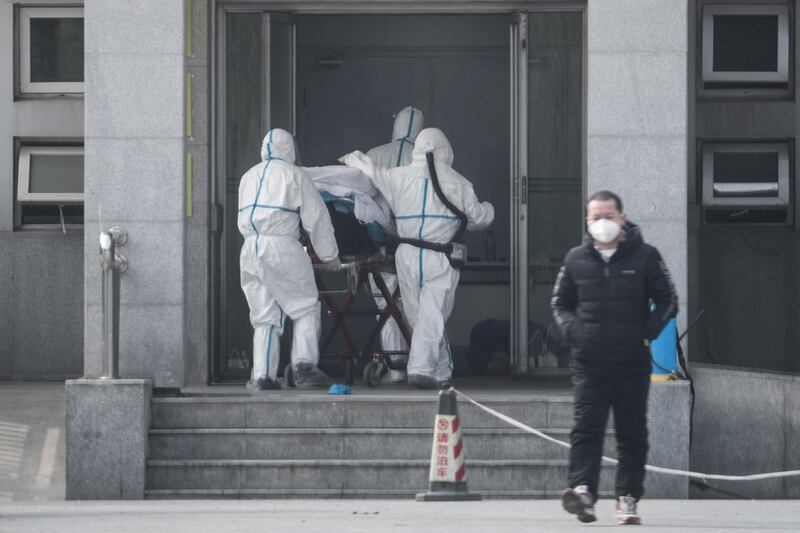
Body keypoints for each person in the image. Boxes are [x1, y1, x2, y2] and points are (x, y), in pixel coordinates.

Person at [551, 190, 677, 525]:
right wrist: (574, 333)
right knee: (585, 430)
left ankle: (627, 498)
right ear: (587, 221)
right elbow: (560, 304)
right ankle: (582, 492)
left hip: (632, 363)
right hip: (588, 364)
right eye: (596, 218)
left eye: (609, 216)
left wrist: (645, 333)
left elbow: (668, 300)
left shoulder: (646, 257)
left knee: (632, 434)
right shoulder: (576, 258)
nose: (603, 223)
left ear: (622, 217)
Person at [342, 128, 495, 389]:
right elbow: (478, 219)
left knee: (420, 316)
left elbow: (372, 172)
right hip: (439, 256)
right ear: (445, 150)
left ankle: (440, 370)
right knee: (430, 315)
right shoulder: (459, 182)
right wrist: (489, 209)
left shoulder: (398, 176)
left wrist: (351, 159)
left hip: (407, 255)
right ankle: (424, 369)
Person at [238, 128, 341, 391]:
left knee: (264, 316)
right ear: (290, 149)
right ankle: (304, 366)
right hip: (281, 246)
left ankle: (263, 375)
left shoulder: (248, 177)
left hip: (250, 249)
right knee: (305, 306)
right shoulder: (295, 175)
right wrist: (330, 255)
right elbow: (316, 218)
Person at [365, 106, 424, 383]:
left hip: (382, 245)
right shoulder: (427, 159)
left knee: (386, 305)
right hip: (419, 244)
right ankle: (422, 364)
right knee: (419, 306)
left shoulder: (375, 156)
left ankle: (396, 366)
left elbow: (359, 198)